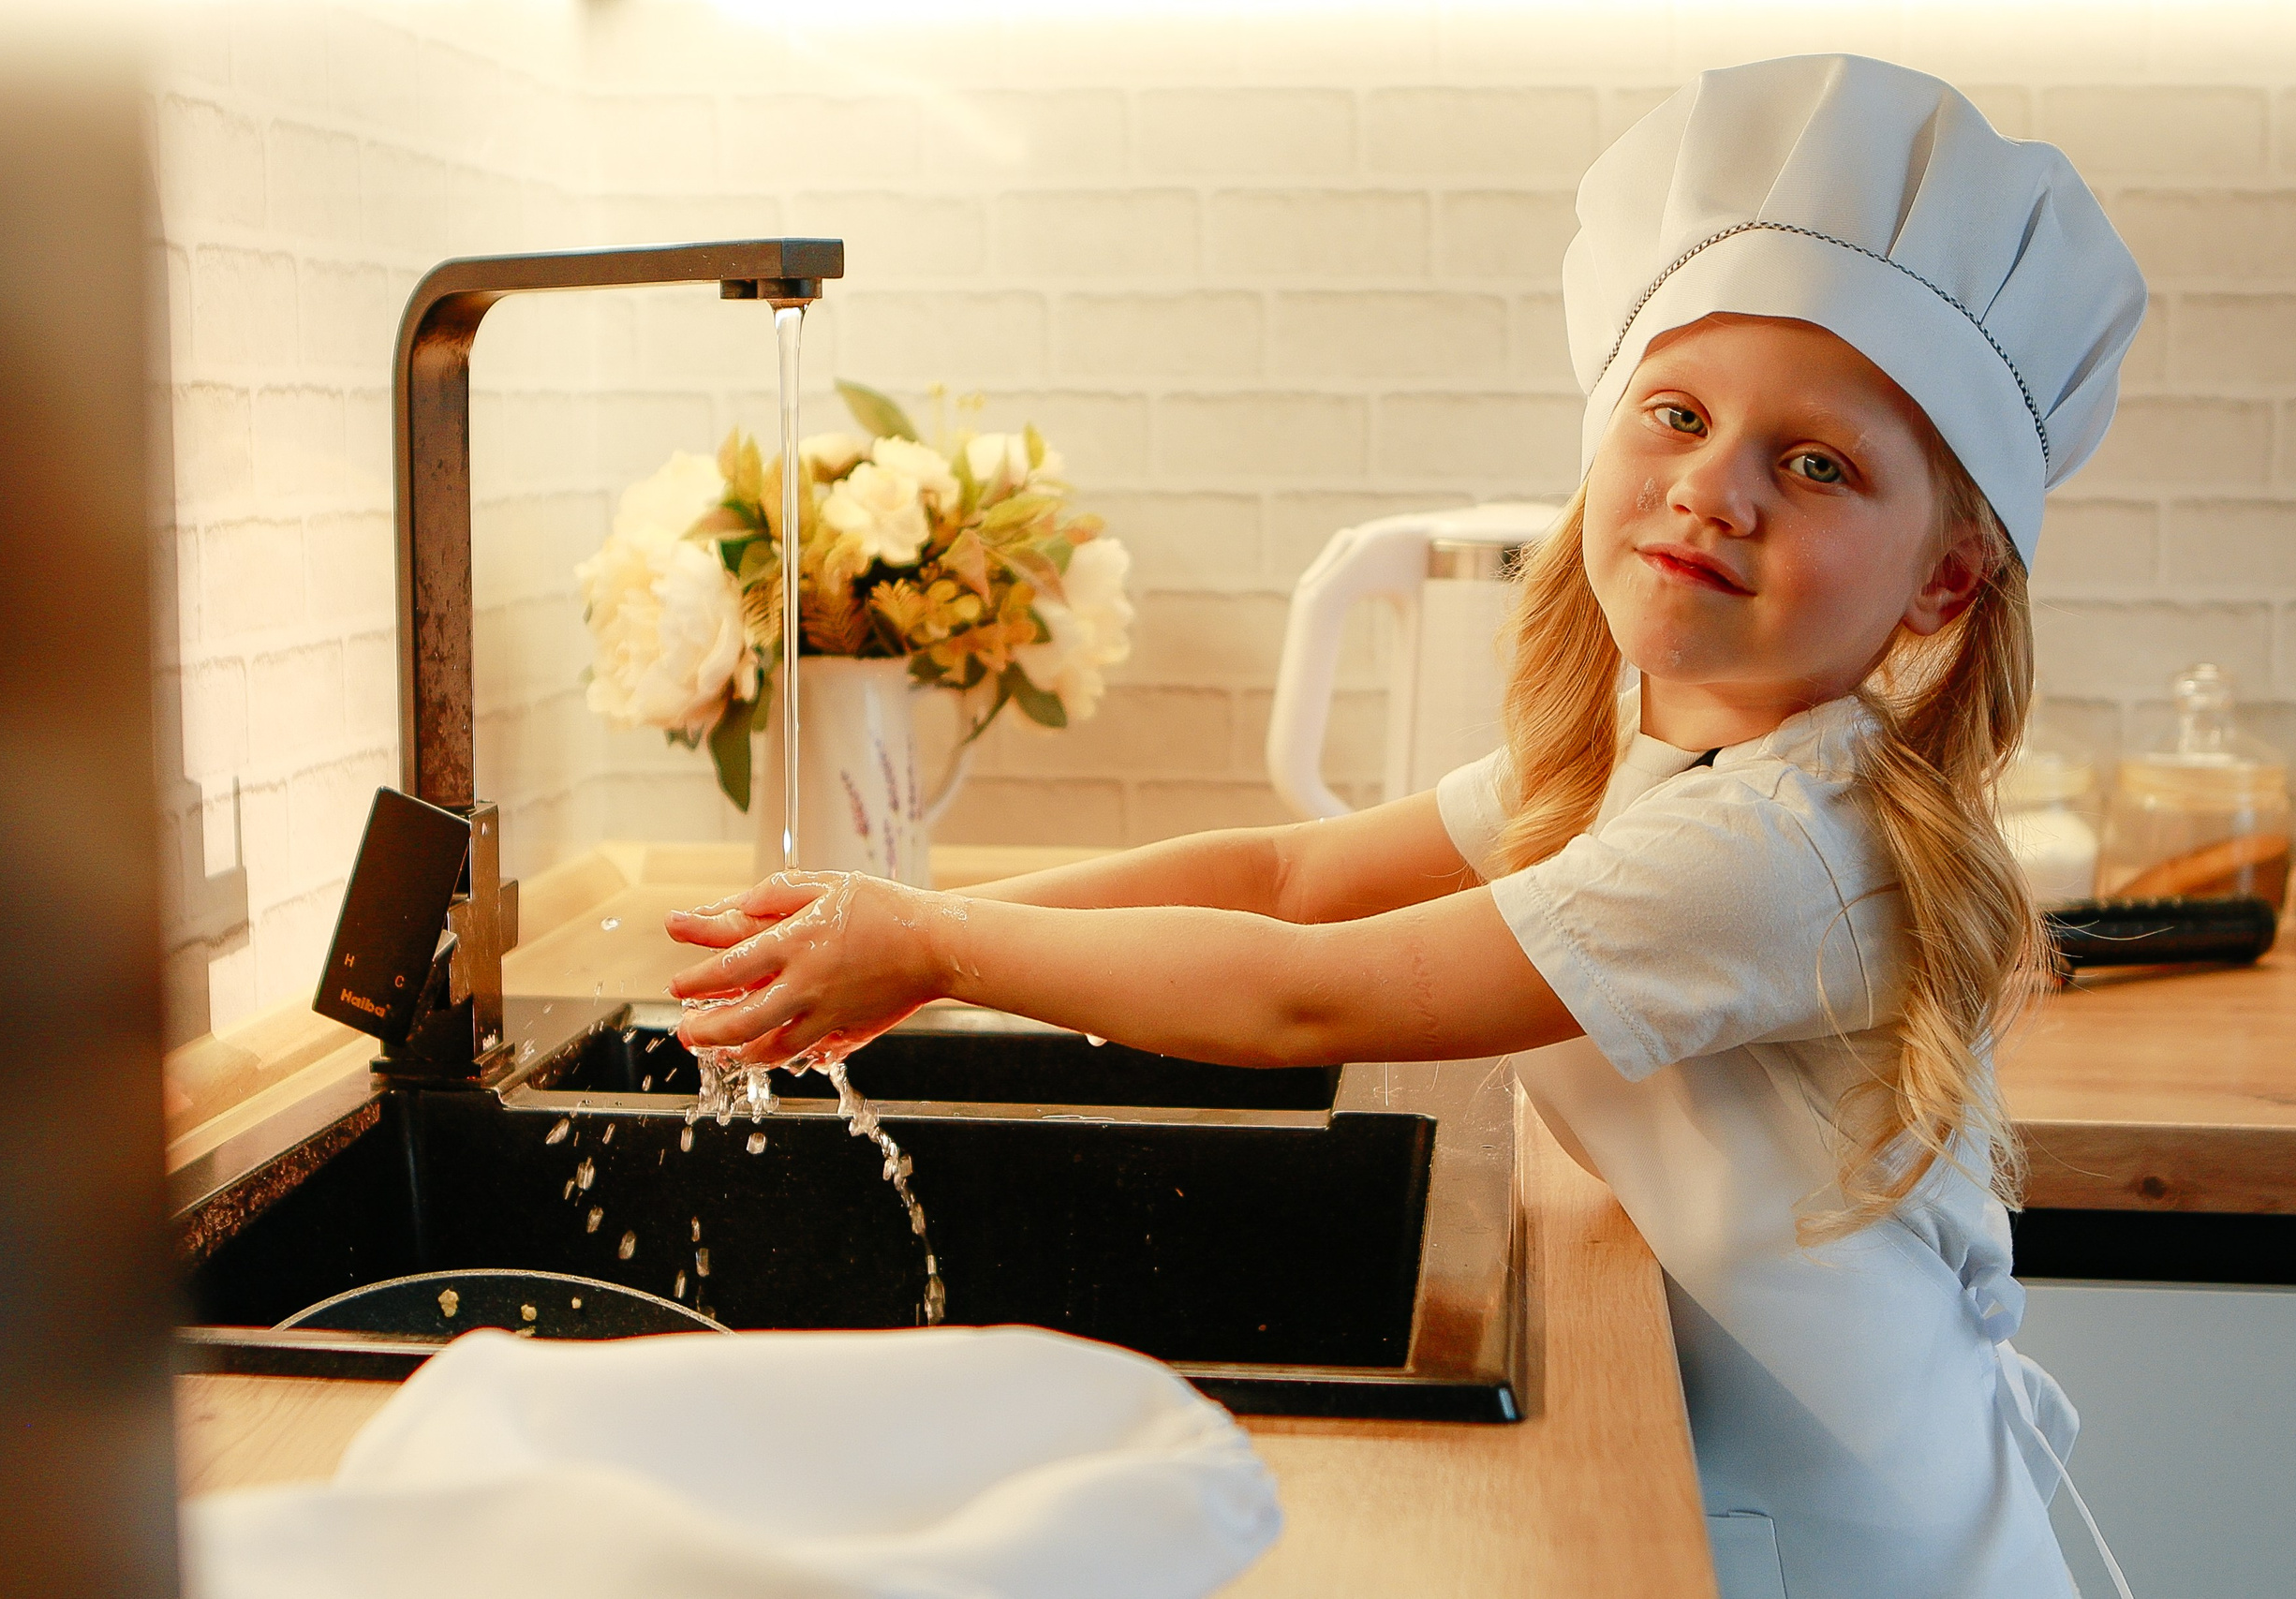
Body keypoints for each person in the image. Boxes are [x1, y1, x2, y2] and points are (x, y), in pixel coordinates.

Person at [665, 54, 2145, 1599]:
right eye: (1679, 412)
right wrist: (916, 929)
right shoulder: (1647, 763)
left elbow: (1304, 992)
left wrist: (942, 937)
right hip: (1776, 1499)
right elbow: (1287, 875)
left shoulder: (1779, 848)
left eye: (1818, 462)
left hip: (1869, 1552)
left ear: (1945, 581)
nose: (1716, 488)